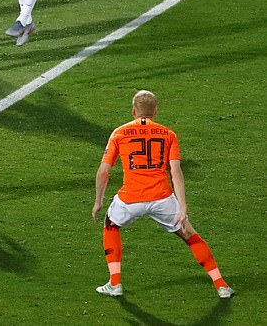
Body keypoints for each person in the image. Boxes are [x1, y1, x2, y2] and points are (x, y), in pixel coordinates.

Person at [92, 90, 234, 299]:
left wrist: (98, 201)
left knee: (110, 225)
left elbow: (103, 172)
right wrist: (183, 207)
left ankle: (115, 283)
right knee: (190, 235)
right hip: (162, 198)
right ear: (155, 111)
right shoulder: (168, 134)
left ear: (133, 111)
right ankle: (221, 286)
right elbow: (176, 172)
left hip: (130, 199)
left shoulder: (119, 133)